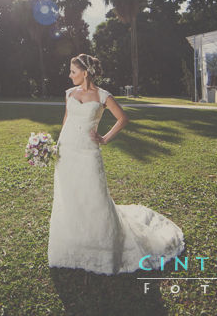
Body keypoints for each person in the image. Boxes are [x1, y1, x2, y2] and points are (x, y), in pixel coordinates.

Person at [48, 53, 185, 274]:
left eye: (73, 71)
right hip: (67, 151)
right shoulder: (69, 93)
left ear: (84, 72)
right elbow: (67, 119)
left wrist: (104, 138)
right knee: (70, 195)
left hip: (88, 151)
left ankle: (102, 246)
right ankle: (72, 242)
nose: (69, 75)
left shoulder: (103, 96)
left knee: (94, 196)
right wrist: (56, 146)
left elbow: (123, 118)